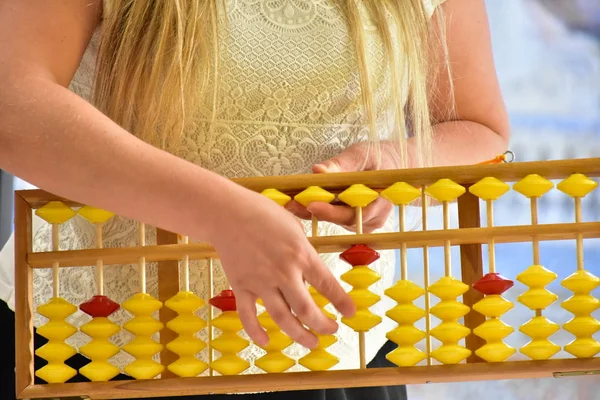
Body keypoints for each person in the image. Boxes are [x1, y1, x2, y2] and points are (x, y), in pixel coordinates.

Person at [0, 0, 510, 399]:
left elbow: (480, 128)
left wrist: (397, 163)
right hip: (88, 348)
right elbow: (13, 108)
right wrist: (222, 215)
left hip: (334, 357)